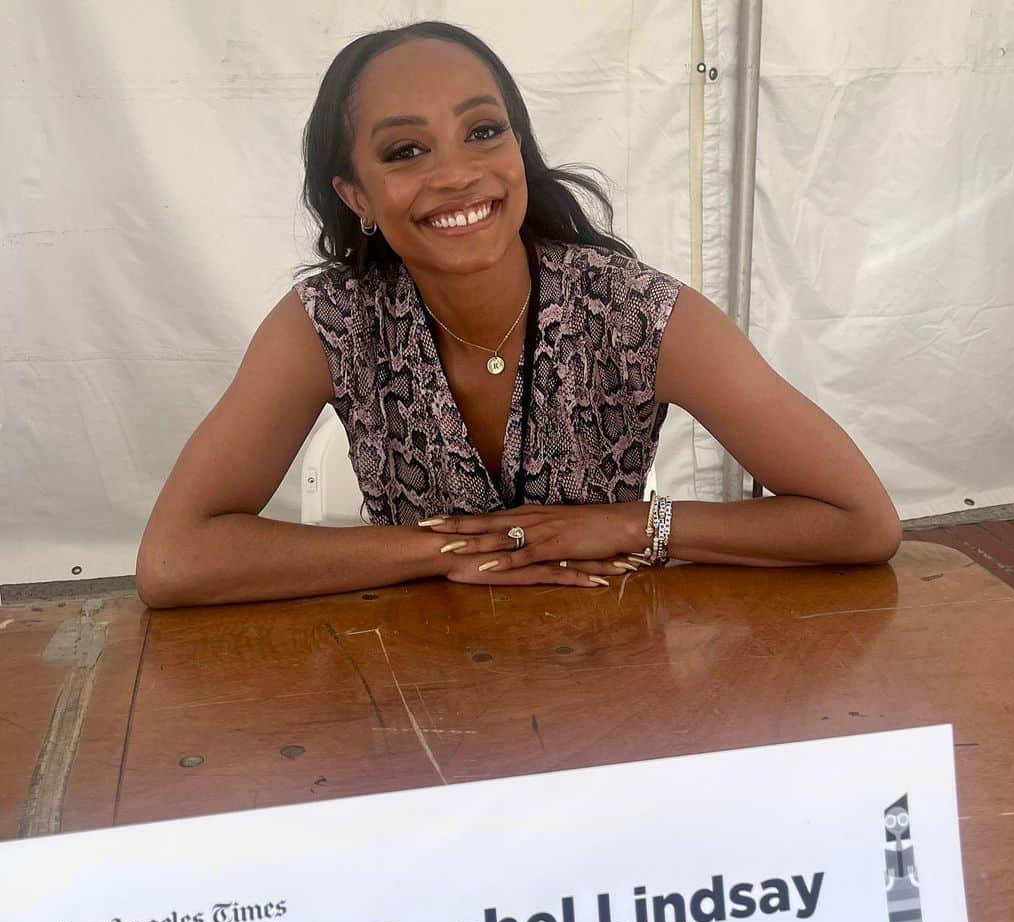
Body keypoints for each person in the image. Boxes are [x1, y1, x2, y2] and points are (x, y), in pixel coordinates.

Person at [135, 21, 901, 610]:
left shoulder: (634, 312)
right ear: (357, 198)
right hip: (413, 685)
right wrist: (441, 553)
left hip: (612, 669)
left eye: (482, 131)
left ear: (520, 150)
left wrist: (634, 525)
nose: (457, 173)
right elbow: (175, 561)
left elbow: (859, 520)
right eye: (405, 151)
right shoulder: (330, 322)